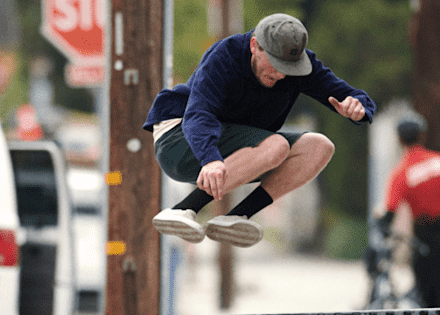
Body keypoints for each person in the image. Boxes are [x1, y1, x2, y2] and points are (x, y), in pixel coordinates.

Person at [143, 13, 376, 248]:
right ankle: (184, 209)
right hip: (178, 138)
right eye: (275, 65)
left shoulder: (300, 68)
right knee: (277, 145)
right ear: (255, 45)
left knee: (319, 147)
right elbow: (198, 114)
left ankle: (237, 216)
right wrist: (210, 158)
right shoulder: (226, 56)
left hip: (227, 146)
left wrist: (357, 107)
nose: (280, 75)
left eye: (289, 68)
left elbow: (347, 92)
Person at [371, 117, 440, 309]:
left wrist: (380, 223)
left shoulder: (401, 173)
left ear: (400, 140)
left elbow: (390, 211)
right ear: (422, 136)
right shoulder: (438, 161)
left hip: (427, 236)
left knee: (429, 294)